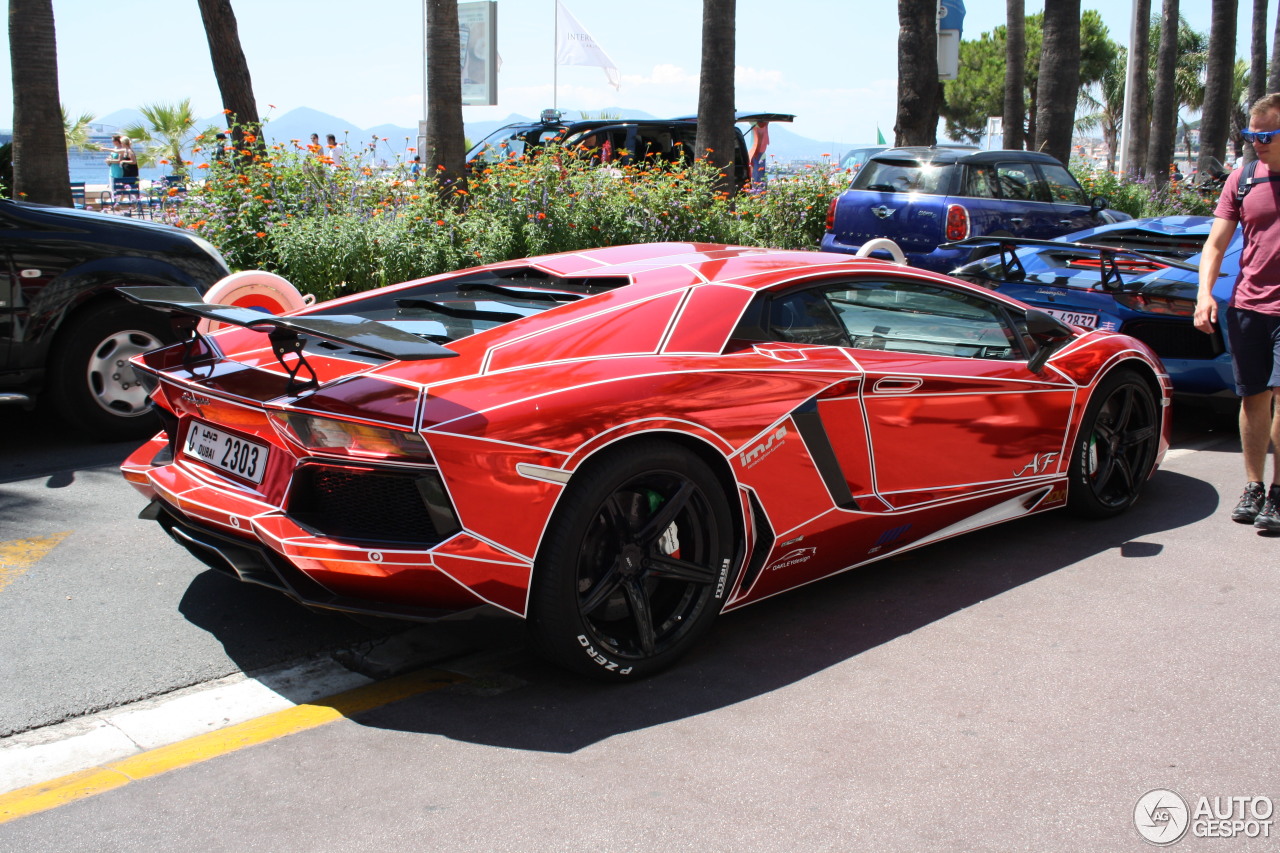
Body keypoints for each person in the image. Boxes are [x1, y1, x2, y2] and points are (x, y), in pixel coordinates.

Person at [1195, 92, 1280, 532]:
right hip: (1248, 304)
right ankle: (1254, 485)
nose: (1257, 142)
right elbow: (1215, 243)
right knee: (1252, 397)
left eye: (1266, 134)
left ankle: (1279, 492)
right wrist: (1204, 294)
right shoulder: (1243, 179)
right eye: (1252, 134)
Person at [749, 120, 770, 192]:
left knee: (758, 177)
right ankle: (758, 191)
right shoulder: (759, 125)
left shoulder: (760, 125)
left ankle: (757, 191)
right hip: (756, 152)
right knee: (758, 177)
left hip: (758, 153)